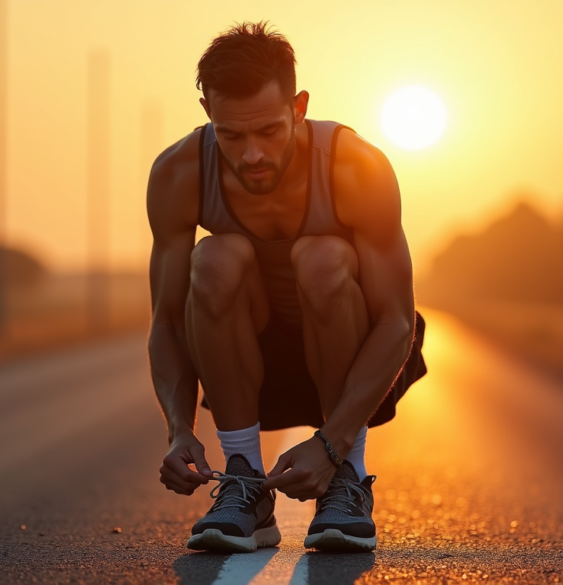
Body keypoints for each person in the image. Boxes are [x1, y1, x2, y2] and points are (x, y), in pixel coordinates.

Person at [146, 21, 427, 553]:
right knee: (214, 259)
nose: (252, 154)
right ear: (208, 112)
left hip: (353, 359)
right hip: (244, 362)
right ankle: (244, 482)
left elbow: (397, 320)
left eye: (269, 131)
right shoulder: (179, 172)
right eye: (232, 135)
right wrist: (179, 431)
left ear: (298, 107)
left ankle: (346, 480)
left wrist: (332, 444)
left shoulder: (356, 166)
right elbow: (165, 321)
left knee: (322, 256)